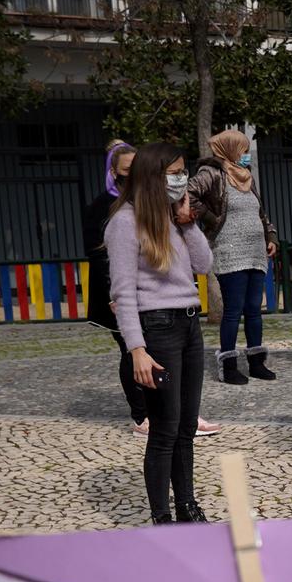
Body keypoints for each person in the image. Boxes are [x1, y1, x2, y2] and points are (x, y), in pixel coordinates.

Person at [104, 143, 214, 525]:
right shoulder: (124, 223)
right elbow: (122, 290)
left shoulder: (172, 219)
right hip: (157, 328)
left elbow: (204, 264)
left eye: (183, 172)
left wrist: (188, 223)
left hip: (189, 325)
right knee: (164, 428)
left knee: (186, 424)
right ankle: (161, 515)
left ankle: (187, 505)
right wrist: (136, 348)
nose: (182, 179)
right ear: (153, 175)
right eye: (175, 172)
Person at [190, 129, 278, 386]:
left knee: (254, 309)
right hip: (230, 250)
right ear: (228, 149)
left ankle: (256, 361)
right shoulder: (212, 173)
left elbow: (260, 213)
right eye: (242, 149)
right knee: (233, 309)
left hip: (255, 252)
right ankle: (228, 365)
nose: (246, 155)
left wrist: (270, 237)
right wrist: (210, 218)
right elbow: (190, 195)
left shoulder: (247, 178)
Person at [85, 142, 150, 435]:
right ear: (113, 172)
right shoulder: (101, 206)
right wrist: (114, 295)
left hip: (147, 289)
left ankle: (164, 408)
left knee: (156, 347)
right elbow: (98, 254)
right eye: (126, 171)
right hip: (117, 290)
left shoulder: (144, 200)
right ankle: (141, 415)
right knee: (130, 350)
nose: (133, 176)